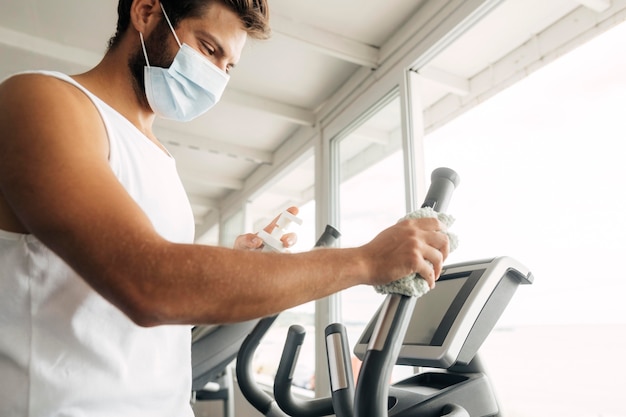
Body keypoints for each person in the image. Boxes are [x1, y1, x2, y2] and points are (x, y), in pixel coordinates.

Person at [0, 0, 450, 416]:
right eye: (208, 48)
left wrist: (235, 269)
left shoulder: (160, 159)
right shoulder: (43, 101)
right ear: (146, 12)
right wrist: (366, 260)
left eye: (227, 65)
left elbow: (158, 308)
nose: (216, 73)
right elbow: (150, 283)